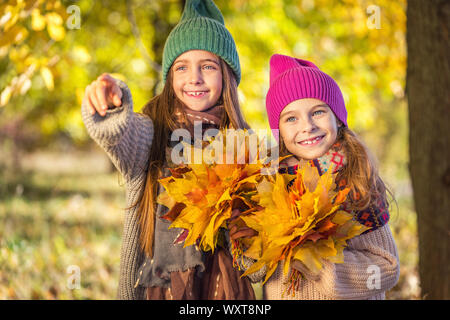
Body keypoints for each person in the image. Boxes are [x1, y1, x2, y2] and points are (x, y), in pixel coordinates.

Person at [81, 0, 255, 300]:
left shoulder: (244, 143)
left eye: (208, 66)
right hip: (161, 289)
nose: (194, 78)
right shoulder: (152, 132)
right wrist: (110, 103)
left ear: (227, 76)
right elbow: (121, 136)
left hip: (226, 290)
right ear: (170, 77)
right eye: (182, 67)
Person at [229, 53, 400, 299]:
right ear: (280, 132)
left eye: (318, 112)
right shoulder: (270, 182)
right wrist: (249, 249)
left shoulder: (353, 179)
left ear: (338, 118)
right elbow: (259, 272)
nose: (307, 126)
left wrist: (321, 265)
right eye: (291, 118)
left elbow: (386, 269)